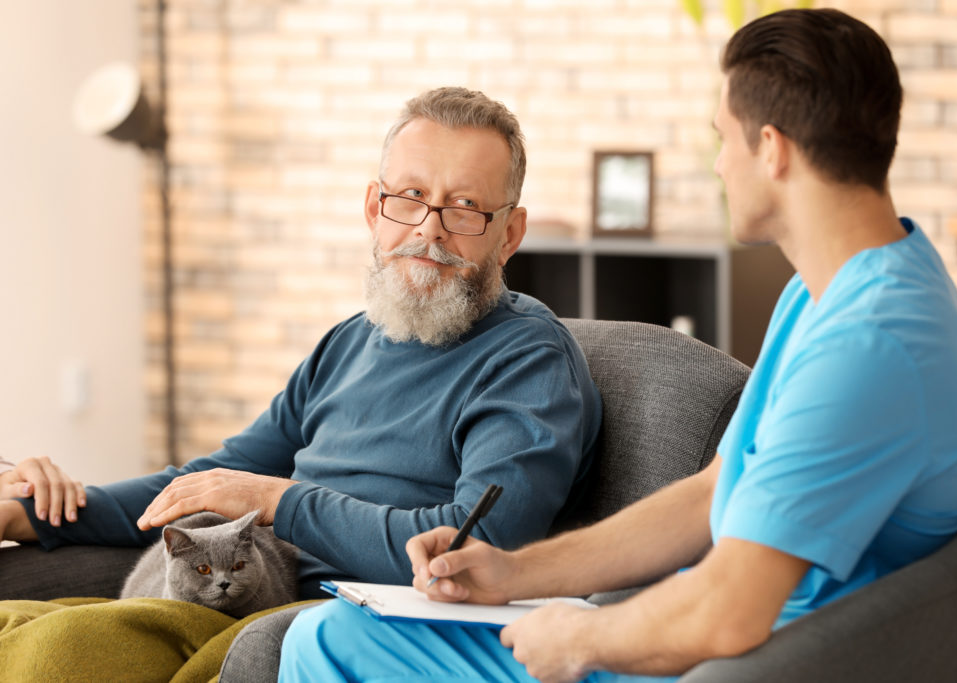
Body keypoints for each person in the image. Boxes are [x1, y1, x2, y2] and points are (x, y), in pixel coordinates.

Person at [277, 9, 957, 683]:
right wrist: (513, 573)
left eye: (723, 138)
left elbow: (727, 611)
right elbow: (714, 493)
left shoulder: (867, 343)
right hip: (717, 638)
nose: (719, 166)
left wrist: (579, 636)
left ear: (770, 149)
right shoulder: (835, 287)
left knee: (325, 639)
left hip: (744, 662)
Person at [0, 87, 601, 677]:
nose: (429, 228)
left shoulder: (529, 363)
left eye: (465, 206)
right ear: (375, 209)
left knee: (63, 646)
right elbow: (209, 482)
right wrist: (44, 516)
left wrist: (277, 501)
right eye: (411, 197)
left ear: (510, 235)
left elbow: (481, 547)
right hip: (250, 583)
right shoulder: (351, 340)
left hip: (355, 620)